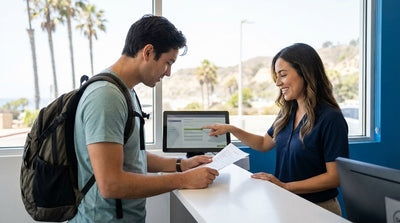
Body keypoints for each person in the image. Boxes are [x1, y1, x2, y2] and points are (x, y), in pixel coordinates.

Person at [70, 15, 219, 222]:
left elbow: (132, 154)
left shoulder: (125, 91)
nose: (168, 73)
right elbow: (110, 184)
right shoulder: (106, 96)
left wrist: (179, 165)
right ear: (148, 52)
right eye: (168, 62)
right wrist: (183, 180)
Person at [202, 43, 349, 216]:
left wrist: (286, 186)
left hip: (319, 209)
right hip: (287, 203)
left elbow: (335, 177)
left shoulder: (330, 118)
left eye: (283, 75)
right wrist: (232, 129)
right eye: (277, 77)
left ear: (305, 73)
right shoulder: (287, 113)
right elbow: (264, 144)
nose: (278, 82)